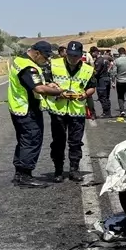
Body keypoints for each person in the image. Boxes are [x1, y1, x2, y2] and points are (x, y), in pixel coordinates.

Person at [8, 41, 63, 188]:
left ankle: (19, 174)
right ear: (37, 53)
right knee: (32, 140)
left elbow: (32, 84)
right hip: (27, 110)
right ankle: (25, 175)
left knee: (24, 141)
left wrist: (47, 84)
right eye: (46, 57)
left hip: (18, 108)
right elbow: (38, 89)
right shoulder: (29, 67)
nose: (47, 60)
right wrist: (59, 92)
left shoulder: (20, 60)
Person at [45, 41, 96, 182]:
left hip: (77, 111)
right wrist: (56, 90)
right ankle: (58, 170)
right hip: (58, 110)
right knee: (58, 142)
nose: (73, 58)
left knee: (76, 142)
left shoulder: (88, 69)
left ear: (81, 55)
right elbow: (46, 82)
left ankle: (74, 169)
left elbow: (92, 87)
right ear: (66, 53)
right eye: (70, 55)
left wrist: (85, 94)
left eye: (76, 56)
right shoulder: (54, 64)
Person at [88, 46, 112, 117]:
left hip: (101, 80)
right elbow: (110, 65)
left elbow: (96, 72)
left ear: (95, 52)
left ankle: (106, 112)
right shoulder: (104, 59)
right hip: (107, 78)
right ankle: (108, 112)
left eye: (92, 53)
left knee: (102, 96)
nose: (92, 55)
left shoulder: (98, 61)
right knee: (106, 96)